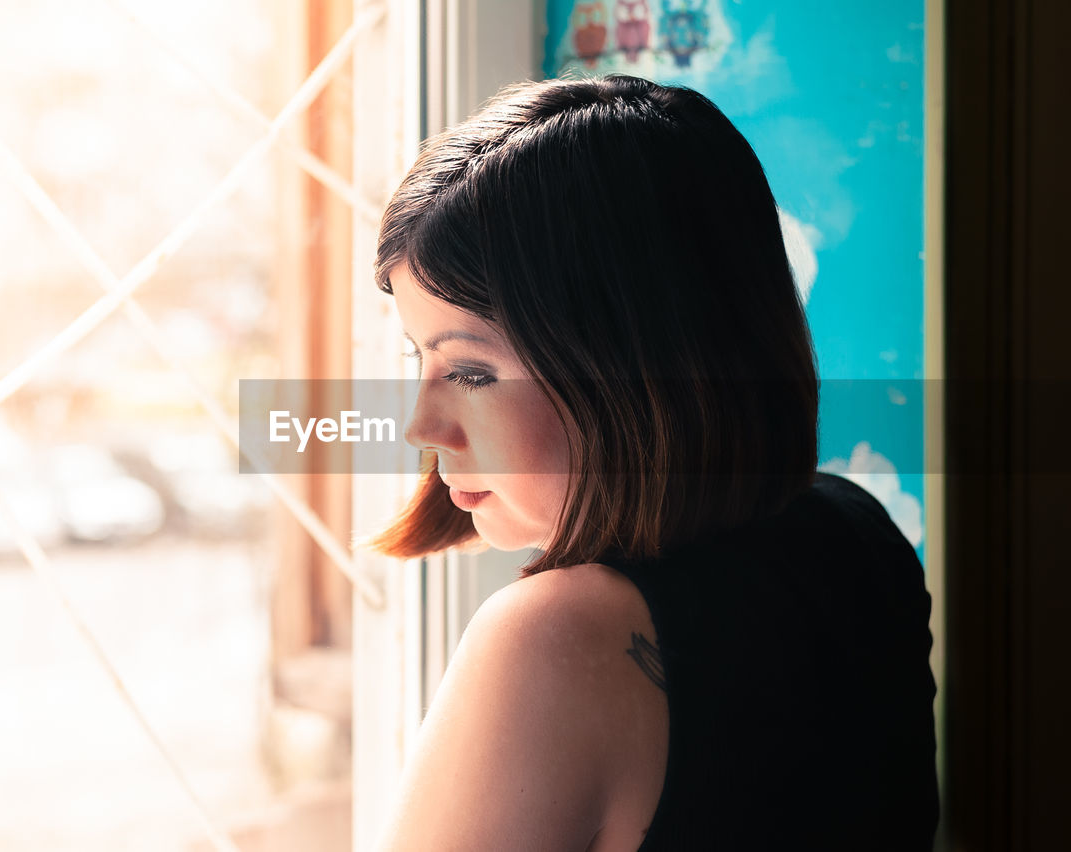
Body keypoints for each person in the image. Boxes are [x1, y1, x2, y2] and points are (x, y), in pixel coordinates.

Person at [362, 75, 938, 851]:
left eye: (470, 372)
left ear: (629, 365)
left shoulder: (553, 639)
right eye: (418, 360)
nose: (421, 426)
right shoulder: (856, 533)